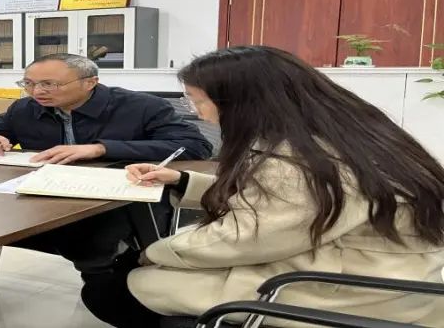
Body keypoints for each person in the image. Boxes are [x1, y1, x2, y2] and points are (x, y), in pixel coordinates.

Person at [106, 46, 444, 327]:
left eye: (196, 101)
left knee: (117, 288)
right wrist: (182, 180)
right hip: (394, 277)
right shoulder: (349, 134)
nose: (197, 113)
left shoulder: (299, 161)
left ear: (240, 103)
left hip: (348, 291)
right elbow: (277, 203)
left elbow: (244, 238)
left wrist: (154, 252)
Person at [0, 53, 212, 314]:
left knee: (92, 238)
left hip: (120, 198)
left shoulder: (141, 106)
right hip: (43, 198)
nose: (37, 91)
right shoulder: (25, 109)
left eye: (49, 84)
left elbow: (195, 146)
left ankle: (111, 291)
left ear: (90, 82)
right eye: (29, 83)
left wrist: (101, 149)